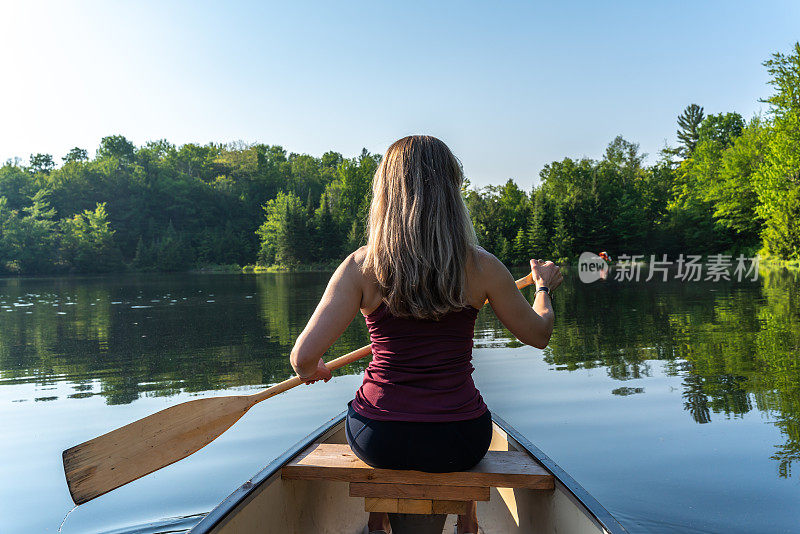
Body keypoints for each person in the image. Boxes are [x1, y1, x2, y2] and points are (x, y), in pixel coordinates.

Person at [290, 135, 562, 534]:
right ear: (452, 192)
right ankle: (468, 522)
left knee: (378, 426)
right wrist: (542, 288)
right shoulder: (482, 266)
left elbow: (302, 359)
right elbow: (539, 334)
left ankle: (377, 523)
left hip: (379, 436)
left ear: (385, 191)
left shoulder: (361, 266)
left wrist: (316, 368)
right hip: (459, 438)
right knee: (463, 430)